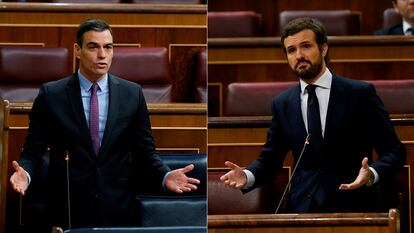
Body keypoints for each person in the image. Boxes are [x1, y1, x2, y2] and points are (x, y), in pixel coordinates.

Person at [9, 18, 200, 230]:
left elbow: (145, 151)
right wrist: (24, 174)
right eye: (93, 47)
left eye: (108, 47)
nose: (102, 55)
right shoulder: (52, 94)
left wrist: (165, 175)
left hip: (116, 208)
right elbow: (33, 152)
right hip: (67, 209)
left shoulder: (132, 94)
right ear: (78, 50)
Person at [221, 17, 406, 213]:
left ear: (323, 49)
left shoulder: (359, 94)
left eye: (306, 46)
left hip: (353, 204)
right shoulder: (283, 103)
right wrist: (247, 175)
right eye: (291, 50)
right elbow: (270, 160)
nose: (299, 55)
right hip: (301, 208)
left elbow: (395, 151)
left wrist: (372, 174)